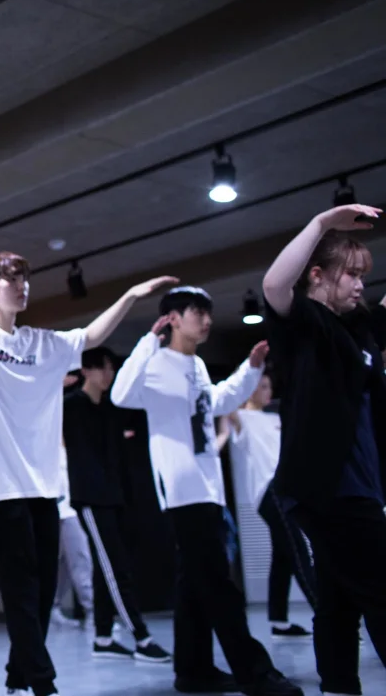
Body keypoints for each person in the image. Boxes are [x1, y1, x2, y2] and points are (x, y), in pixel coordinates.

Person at [0, 228, 176, 696]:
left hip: (43, 491)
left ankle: (18, 678)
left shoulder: (41, 343)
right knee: (20, 593)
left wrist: (132, 295)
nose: (22, 286)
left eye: (25, 278)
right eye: (12, 278)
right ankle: (43, 683)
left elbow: (91, 335)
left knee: (38, 595)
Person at [111, 286, 301, 696]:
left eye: (208, 312)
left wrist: (250, 370)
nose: (208, 320)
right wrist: (148, 341)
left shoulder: (194, 364)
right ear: (173, 319)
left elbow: (214, 403)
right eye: (198, 312)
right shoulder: (157, 361)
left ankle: (192, 670)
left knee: (194, 586)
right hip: (183, 490)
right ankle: (254, 672)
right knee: (218, 583)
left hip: (207, 488)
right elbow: (121, 394)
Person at [261, 203, 386, 696]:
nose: (360, 285)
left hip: (357, 487)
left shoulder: (356, 332)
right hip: (328, 491)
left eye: (364, 276)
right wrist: (320, 225)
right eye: (351, 274)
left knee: (338, 603)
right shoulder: (303, 325)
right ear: (318, 275)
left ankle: (338, 687)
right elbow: (274, 286)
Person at [64, 347, 170, 663]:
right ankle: (140, 635)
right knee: (115, 567)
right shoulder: (71, 407)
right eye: (104, 369)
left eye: (111, 369)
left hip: (114, 496)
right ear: (87, 371)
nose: (108, 375)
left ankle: (103, 636)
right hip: (90, 498)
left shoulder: (111, 408)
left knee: (105, 566)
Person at [217, 373, 316, 639]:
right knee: (298, 550)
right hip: (269, 490)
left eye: (268, 386)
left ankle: (278, 621)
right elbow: (224, 406)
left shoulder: (276, 418)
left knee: (283, 555)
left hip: (288, 486)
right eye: (260, 386)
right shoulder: (242, 418)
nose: (266, 391)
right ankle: (327, 612)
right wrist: (247, 376)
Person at [53, 448, 94, 631]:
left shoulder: (71, 442)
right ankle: (92, 609)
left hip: (73, 506)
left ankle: (90, 610)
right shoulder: (49, 443)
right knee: (76, 561)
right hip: (62, 509)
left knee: (73, 562)